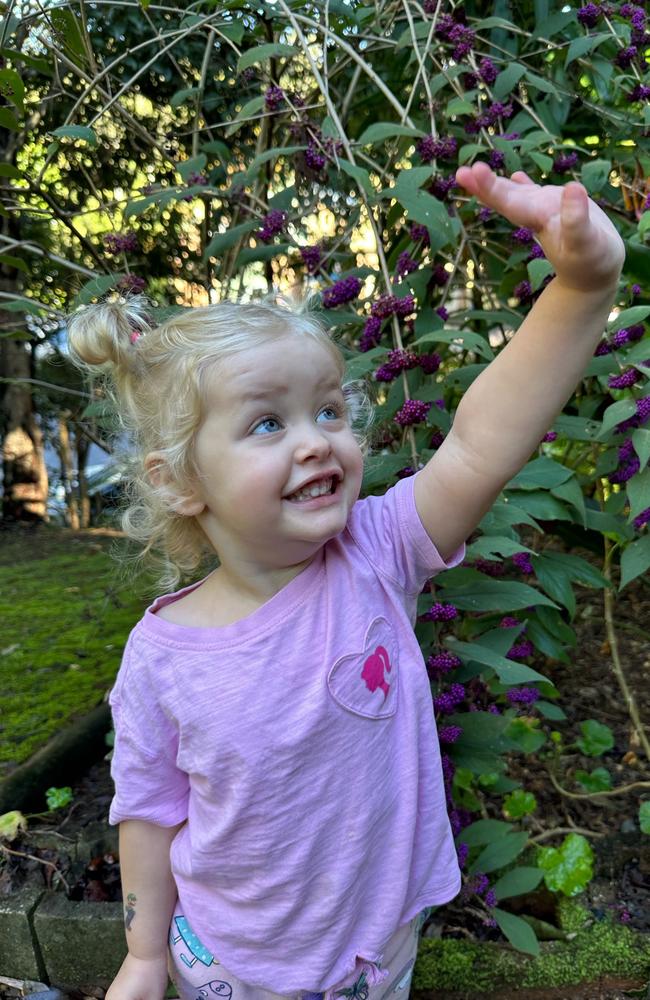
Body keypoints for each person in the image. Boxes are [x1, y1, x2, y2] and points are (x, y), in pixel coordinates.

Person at [67, 161, 625, 1000]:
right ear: (181, 481)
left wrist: (584, 284)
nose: (317, 440)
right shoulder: (161, 657)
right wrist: (145, 956)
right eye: (268, 423)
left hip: (370, 959)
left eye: (328, 409)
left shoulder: (377, 553)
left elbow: (480, 442)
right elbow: (148, 815)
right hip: (224, 967)